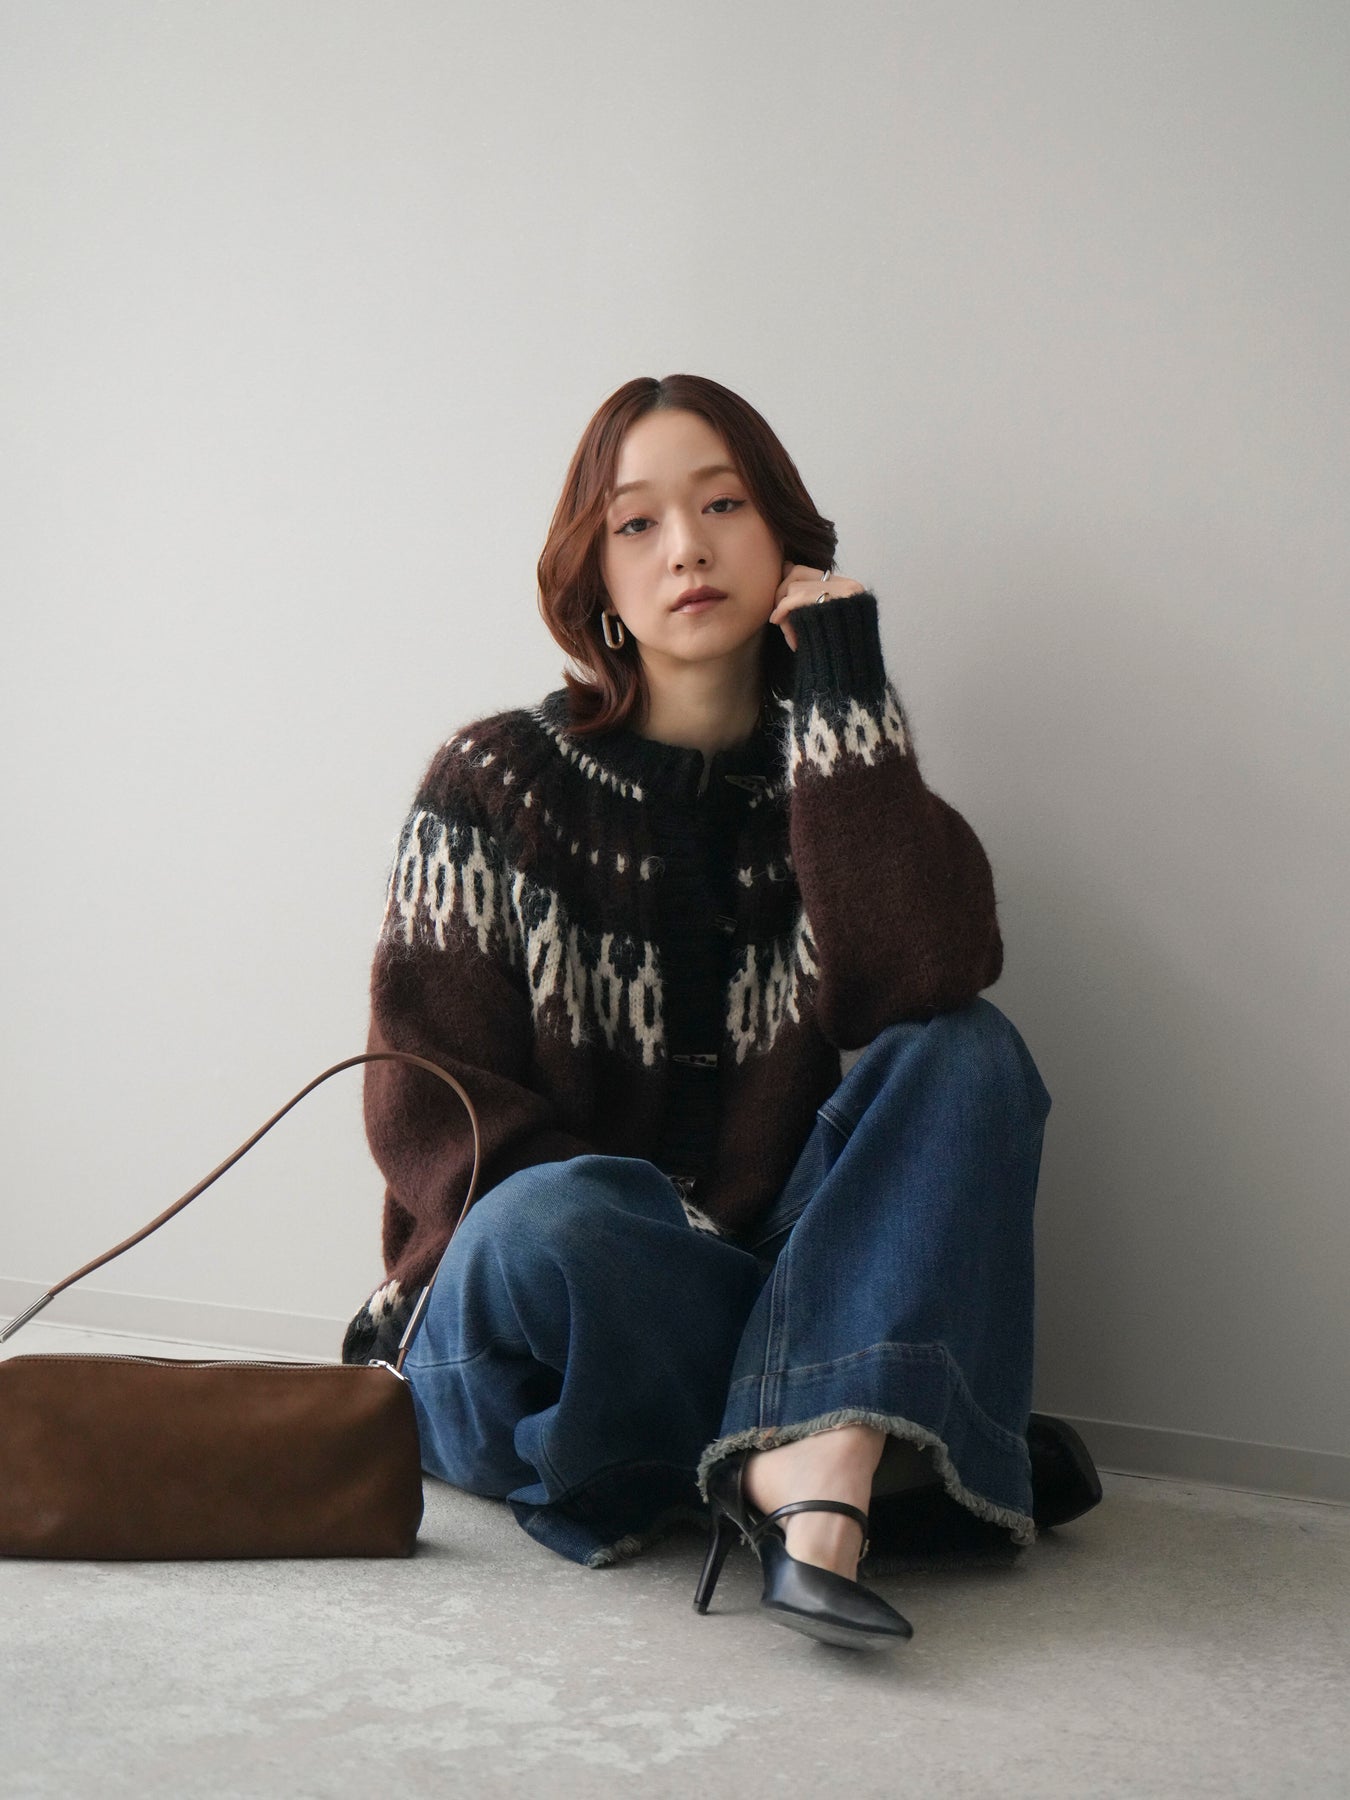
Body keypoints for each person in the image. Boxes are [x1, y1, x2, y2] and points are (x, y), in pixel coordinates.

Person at [341, 373, 1100, 1648]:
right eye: (637, 523)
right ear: (595, 577)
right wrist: (687, 1234)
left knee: (967, 1053)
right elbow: (433, 1117)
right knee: (553, 1215)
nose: (686, 547)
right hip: (547, 1319)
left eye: (723, 504)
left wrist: (841, 691)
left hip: (758, 1282)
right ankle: (863, 1428)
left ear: (782, 534)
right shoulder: (490, 784)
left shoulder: (833, 783)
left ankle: (806, 1471)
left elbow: (922, 976)